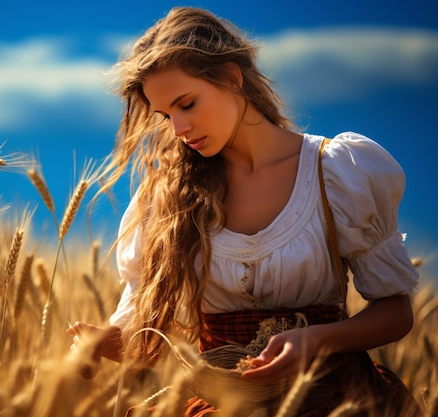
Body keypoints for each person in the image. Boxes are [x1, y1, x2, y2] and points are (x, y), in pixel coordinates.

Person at [68, 6, 422, 416]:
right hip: (226, 406)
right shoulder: (166, 200)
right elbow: (149, 343)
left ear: (232, 78)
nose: (178, 130)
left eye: (187, 104)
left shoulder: (336, 173)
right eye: (166, 115)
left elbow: (396, 314)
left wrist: (318, 339)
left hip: (335, 397)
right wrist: (105, 343)